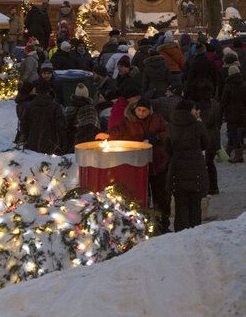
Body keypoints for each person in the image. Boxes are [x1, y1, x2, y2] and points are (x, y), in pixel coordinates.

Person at [111, 98, 170, 232]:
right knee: (142, 197)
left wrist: (156, 138)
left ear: (149, 111)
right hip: (138, 166)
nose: (141, 113)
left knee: (161, 198)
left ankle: (162, 226)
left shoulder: (157, 119)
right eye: (139, 110)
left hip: (157, 164)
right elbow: (119, 130)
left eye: (144, 111)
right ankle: (143, 226)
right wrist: (107, 135)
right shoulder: (129, 121)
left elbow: (167, 132)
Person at [165, 99, 210, 231]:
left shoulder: (170, 126)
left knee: (180, 204)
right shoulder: (198, 125)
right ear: (189, 110)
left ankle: (180, 234)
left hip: (177, 168)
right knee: (195, 204)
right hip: (196, 167)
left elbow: (168, 148)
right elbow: (206, 143)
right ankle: (195, 233)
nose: (197, 111)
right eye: (194, 109)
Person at [19, 81, 67, 155]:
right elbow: (60, 126)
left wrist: (24, 137)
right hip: (51, 144)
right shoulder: (55, 106)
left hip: (32, 143)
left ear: (37, 91)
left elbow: (23, 123)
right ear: (49, 91)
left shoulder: (29, 106)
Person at [220, 65, 246, 163]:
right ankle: (227, 153)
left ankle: (239, 156)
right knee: (233, 133)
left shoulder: (228, 85)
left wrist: (221, 110)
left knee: (233, 133)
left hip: (231, 114)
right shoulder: (244, 84)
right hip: (242, 113)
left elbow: (224, 101)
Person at [64, 83, 101, 147]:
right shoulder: (90, 109)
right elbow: (95, 126)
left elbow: (65, 124)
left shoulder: (69, 109)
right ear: (87, 95)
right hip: (90, 140)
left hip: (73, 140)